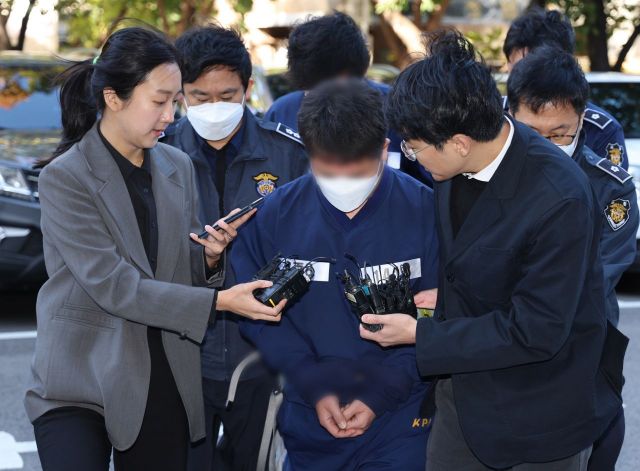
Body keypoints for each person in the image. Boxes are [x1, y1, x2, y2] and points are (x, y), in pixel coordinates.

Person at [362, 30, 626, 470]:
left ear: (461, 142)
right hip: (461, 401)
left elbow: (536, 329)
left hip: (538, 414)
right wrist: (443, 300)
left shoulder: (558, 196)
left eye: (415, 145)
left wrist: (419, 335)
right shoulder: (455, 165)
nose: (411, 155)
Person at [25, 27, 285, 471]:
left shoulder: (175, 165)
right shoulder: (65, 177)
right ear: (113, 98)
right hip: (79, 376)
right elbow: (114, 285)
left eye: (174, 102)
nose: (170, 115)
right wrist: (220, 301)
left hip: (161, 367)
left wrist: (207, 257)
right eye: (159, 101)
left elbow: (173, 267)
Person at [232, 79, 439, 470]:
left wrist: (381, 393)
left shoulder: (426, 212)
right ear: (308, 155)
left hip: (403, 421)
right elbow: (258, 314)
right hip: (310, 419)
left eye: (357, 171)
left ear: (383, 149)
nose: (343, 183)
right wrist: (313, 382)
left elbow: (439, 314)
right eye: (329, 170)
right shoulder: (276, 215)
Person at [162, 25, 308, 471]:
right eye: (199, 97)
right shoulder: (160, 154)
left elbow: (313, 249)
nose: (213, 107)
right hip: (180, 355)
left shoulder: (288, 157)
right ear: (181, 95)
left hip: (262, 357)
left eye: (226, 94)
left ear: (247, 88)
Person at [507, 46, 638, 471]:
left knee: (596, 435)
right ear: (509, 117)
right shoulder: (484, 174)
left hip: (582, 342)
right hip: (499, 347)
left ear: (582, 119)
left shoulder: (608, 187)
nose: (547, 145)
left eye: (561, 133)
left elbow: (601, 271)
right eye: (533, 133)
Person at [264, 11, 431, 185]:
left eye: (328, 90)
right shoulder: (281, 114)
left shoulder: (399, 108)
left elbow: (429, 186)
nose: (321, 103)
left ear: (353, 74)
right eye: (311, 91)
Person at [503, 8, 629, 170]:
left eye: (558, 135)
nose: (531, 78)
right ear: (508, 66)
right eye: (521, 67)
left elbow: (610, 189)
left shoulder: (601, 130)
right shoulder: (489, 119)